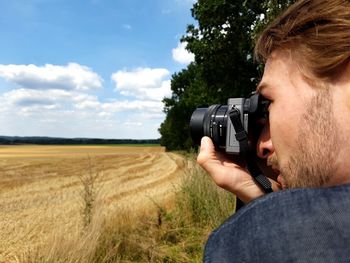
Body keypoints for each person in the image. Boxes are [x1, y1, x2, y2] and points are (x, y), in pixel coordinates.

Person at [197, 0, 350, 262]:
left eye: (269, 103)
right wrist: (259, 197)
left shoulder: (253, 247)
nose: (262, 146)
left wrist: (262, 224)